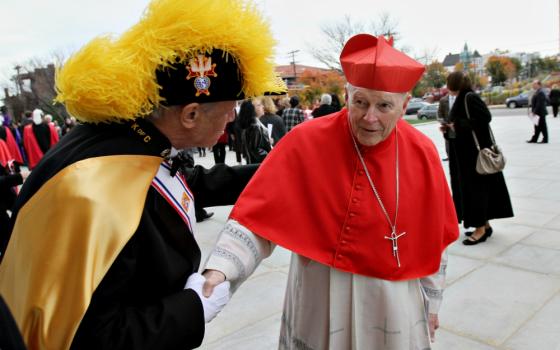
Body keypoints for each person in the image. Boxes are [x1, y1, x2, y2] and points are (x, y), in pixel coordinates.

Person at [0, 0, 285, 349]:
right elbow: (95, 337)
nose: (232, 119)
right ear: (191, 115)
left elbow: (177, 185)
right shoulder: (98, 190)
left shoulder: (128, 140)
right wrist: (194, 306)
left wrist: (277, 171)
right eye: (229, 110)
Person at [202, 34, 459, 349]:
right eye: (360, 102)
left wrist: (432, 304)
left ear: (404, 105)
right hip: (322, 291)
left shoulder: (422, 151)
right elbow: (257, 218)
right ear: (347, 95)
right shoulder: (305, 141)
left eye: (384, 106)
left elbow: (434, 240)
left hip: (393, 299)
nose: (370, 117)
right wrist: (221, 271)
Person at [442, 71, 514, 245]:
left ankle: (480, 229)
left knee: (476, 191)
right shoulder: (462, 97)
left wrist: (457, 124)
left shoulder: (469, 97)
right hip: (466, 156)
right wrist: (449, 129)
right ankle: (485, 225)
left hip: (474, 156)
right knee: (474, 191)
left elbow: (485, 118)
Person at [238, 99, 272, 164]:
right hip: (258, 165)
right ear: (251, 109)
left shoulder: (253, 124)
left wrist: (267, 141)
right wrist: (269, 157)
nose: (262, 106)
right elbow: (255, 150)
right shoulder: (255, 126)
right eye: (259, 105)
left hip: (254, 163)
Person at [437, 93, 455, 161]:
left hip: (460, 127)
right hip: (447, 127)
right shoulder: (443, 100)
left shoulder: (462, 97)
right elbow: (439, 115)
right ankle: (449, 156)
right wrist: (445, 123)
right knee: (448, 143)